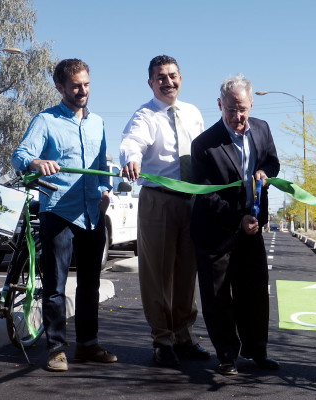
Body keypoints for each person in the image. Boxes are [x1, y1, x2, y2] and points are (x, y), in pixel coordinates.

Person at [12, 59, 117, 372]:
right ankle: (56, 348)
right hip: (58, 211)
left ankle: (87, 345)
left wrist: (106, 192)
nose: (82, 90)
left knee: (90, 284)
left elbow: (101, 165)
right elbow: (20, 156)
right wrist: (37, 162)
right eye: (75, 86)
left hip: (92, 214)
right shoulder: (45, 121)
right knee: (56, 286)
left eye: (86, 84)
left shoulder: (97, 122)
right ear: (60, 87)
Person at [119, 55, 209, 367]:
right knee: (157, 273)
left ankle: (184, 337)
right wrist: (131, 158)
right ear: (151, 83)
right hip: (159, 200)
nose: (167, 81)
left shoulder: (193, 113)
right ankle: (162, 340)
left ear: (181, 78)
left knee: (187, 273)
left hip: (191, 201)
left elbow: (203, 153)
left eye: (172, 75)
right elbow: (132, 142)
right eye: (160, 77)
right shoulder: (145, 115)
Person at [191, 74, 280, 375]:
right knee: (217, 297)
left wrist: (264, 172)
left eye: (242, 108)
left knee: (254, 292)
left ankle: (258, 352)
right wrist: (236, 219)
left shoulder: (263, 130)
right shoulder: (204, 145)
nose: (237, 116)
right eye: (230, 109)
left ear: (251, 105)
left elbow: (272, 162)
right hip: (215, 230)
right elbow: (205, 195)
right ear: (219, 105)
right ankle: (227, 355)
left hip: (251, 227)